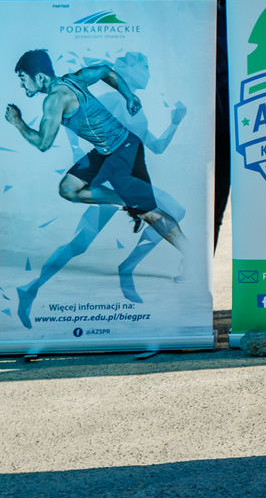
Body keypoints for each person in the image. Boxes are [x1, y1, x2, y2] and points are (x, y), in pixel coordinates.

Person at [6, 51, 188, 327]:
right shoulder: (73, 79)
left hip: (124, 153)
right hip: (104, 153)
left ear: (39, 77)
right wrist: (128, 95)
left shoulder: (54, 99)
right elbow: (104, 69)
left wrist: (18, 122)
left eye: (23, 79)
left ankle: (191, 258)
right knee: (68, 189)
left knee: (151, 214)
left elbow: (43, 143)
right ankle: (128, 204)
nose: (22, 85)